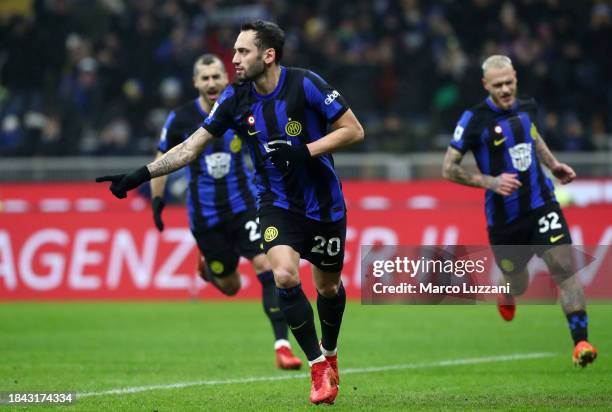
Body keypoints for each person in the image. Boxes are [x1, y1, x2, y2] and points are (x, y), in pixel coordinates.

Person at [96, 21, 364, 404]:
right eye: (234, 52)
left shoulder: (306, 83)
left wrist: (304, 150)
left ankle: (331, 351)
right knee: (284, 275)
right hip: (275, 204)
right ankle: (318, 366)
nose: (234, 59)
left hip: (324, 205)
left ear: (267, 55)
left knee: (328, 288)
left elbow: (354, 130)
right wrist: (140, 175)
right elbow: (191, 147)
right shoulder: (236, 98)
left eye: (242, 52)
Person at [442, 55, 597, 368]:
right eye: (497, 85)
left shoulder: (527, 106)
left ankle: (580, 341)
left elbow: (534, 137)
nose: (505, 89)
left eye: (509, 82)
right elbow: (448, 168)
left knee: (563, 268)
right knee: (518, 282)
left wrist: (553, 165)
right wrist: (491, 181)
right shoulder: (474, 119)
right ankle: (506, 290)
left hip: (542, 204)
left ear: (515, 78)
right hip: (505, 220)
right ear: (486, 85)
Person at [149, 54, 301, 371]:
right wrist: (157, 199)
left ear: (226, 77)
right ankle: (209, 268)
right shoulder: (180, 118)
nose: (211, 83)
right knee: (230, 287)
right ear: (195, 83)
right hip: (206, 217)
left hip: (245, 206)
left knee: (268, 267)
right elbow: (163, 157)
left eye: (216, 76)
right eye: (204, 78)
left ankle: (282, 347)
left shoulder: (240, 106)